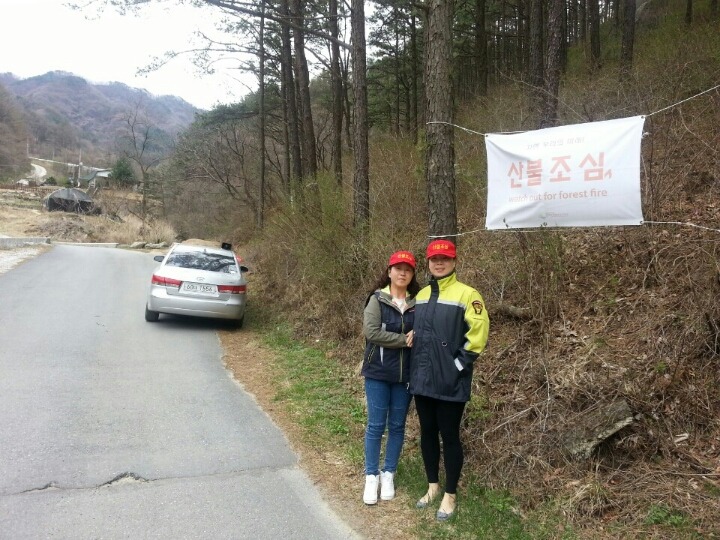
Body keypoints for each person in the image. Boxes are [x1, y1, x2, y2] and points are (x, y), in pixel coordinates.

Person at [409, 239, 490, 521]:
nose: (439, 263)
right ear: (428, 263)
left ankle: (450, 494)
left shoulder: (468, 294)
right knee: (427, 433)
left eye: (444, 259)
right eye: (434, 259)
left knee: (450, 436)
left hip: (450, 382)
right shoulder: (421, 295)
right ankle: (432, 486)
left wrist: (457, 365)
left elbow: (478, 337)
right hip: (422, 381)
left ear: (454, 262)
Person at [361, 250, 420, 505]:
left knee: (397, 426)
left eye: (407, 269)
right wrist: (403, 340)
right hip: (378, 372)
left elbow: (425, 329)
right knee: (376, 426)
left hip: (405, 376)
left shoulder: (419, 302)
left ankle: (389, 474)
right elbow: (371, 332)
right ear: (389, 272)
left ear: (413, 274)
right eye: (398, 268)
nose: (402, 273)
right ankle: (371, 476)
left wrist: (418, 334)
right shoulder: (377, 300)